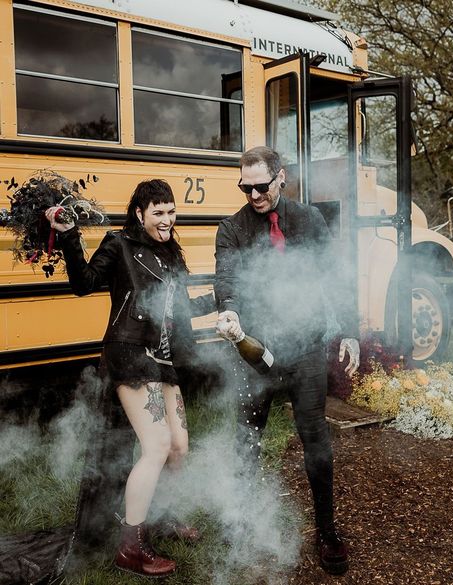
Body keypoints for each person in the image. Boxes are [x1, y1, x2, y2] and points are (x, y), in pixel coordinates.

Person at [45, 179, 213, 578]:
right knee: (156, 446)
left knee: (179, 448)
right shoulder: (119, 244)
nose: (167, 219)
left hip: (164, 360)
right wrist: (69, 236)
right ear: (140, 214)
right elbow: (82, 283)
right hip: (130, 355)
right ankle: (130, 548)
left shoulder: (172, 254)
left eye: (171, 212)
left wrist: (226, 301)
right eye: (158, 213)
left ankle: (160, 515)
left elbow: (183, 313)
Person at [214, 146, 360, 576]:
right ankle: (241, 519)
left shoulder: (309, 220)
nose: (254, 195)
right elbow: (226, 275)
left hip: (306, 347)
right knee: (247, 439)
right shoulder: (232, 228)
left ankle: (326, 530)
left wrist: (349, 328)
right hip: (256, 350)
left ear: (281, 178)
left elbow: (334, 273)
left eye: (261, 186)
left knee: (316, 439)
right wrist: (230, 309)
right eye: (246, 187)